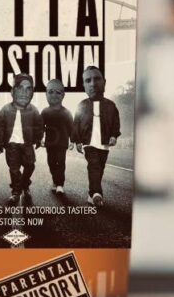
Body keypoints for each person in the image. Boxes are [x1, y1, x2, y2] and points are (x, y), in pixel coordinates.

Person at [71, 66, 121, 208]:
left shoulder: (111, 106)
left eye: (97, 79)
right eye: (88, 80)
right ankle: (98, 193)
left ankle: (91, 193)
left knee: (100, 167)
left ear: (104, 82)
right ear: (84, 86)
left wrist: (114, 135)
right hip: (88, 142)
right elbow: (76, 124)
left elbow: (116, 123)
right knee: (93, 164)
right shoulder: (81, 105)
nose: (93, 84)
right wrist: (77, 141)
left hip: (104, 143)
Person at [0, 73, 43, 205]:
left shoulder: (34, 110)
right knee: (14, 169)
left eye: (28, 88)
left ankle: (25, 184)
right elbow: (0, 126)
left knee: (30, 165)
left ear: (32, 93)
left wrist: (39, 138)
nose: (24, 92)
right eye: (20, 88)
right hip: (11, 145)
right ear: (12, 91)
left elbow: (39, 126)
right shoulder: (5, 109)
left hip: (27, 144)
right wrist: (0, 142)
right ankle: (16, 192)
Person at [41, 78, 74, 195]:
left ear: (63, 95)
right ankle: (55, 181)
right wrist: (40, 138)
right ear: (46, 94)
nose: (54, 95)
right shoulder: (44, 112)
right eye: (50, 92)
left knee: (61, 163)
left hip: (62, 143)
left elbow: (71, 128)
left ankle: (60, 184)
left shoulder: (67, 112)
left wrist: (73, 141)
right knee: (51, 162)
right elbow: (40, 127)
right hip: (50, 143)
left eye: (58, 92)